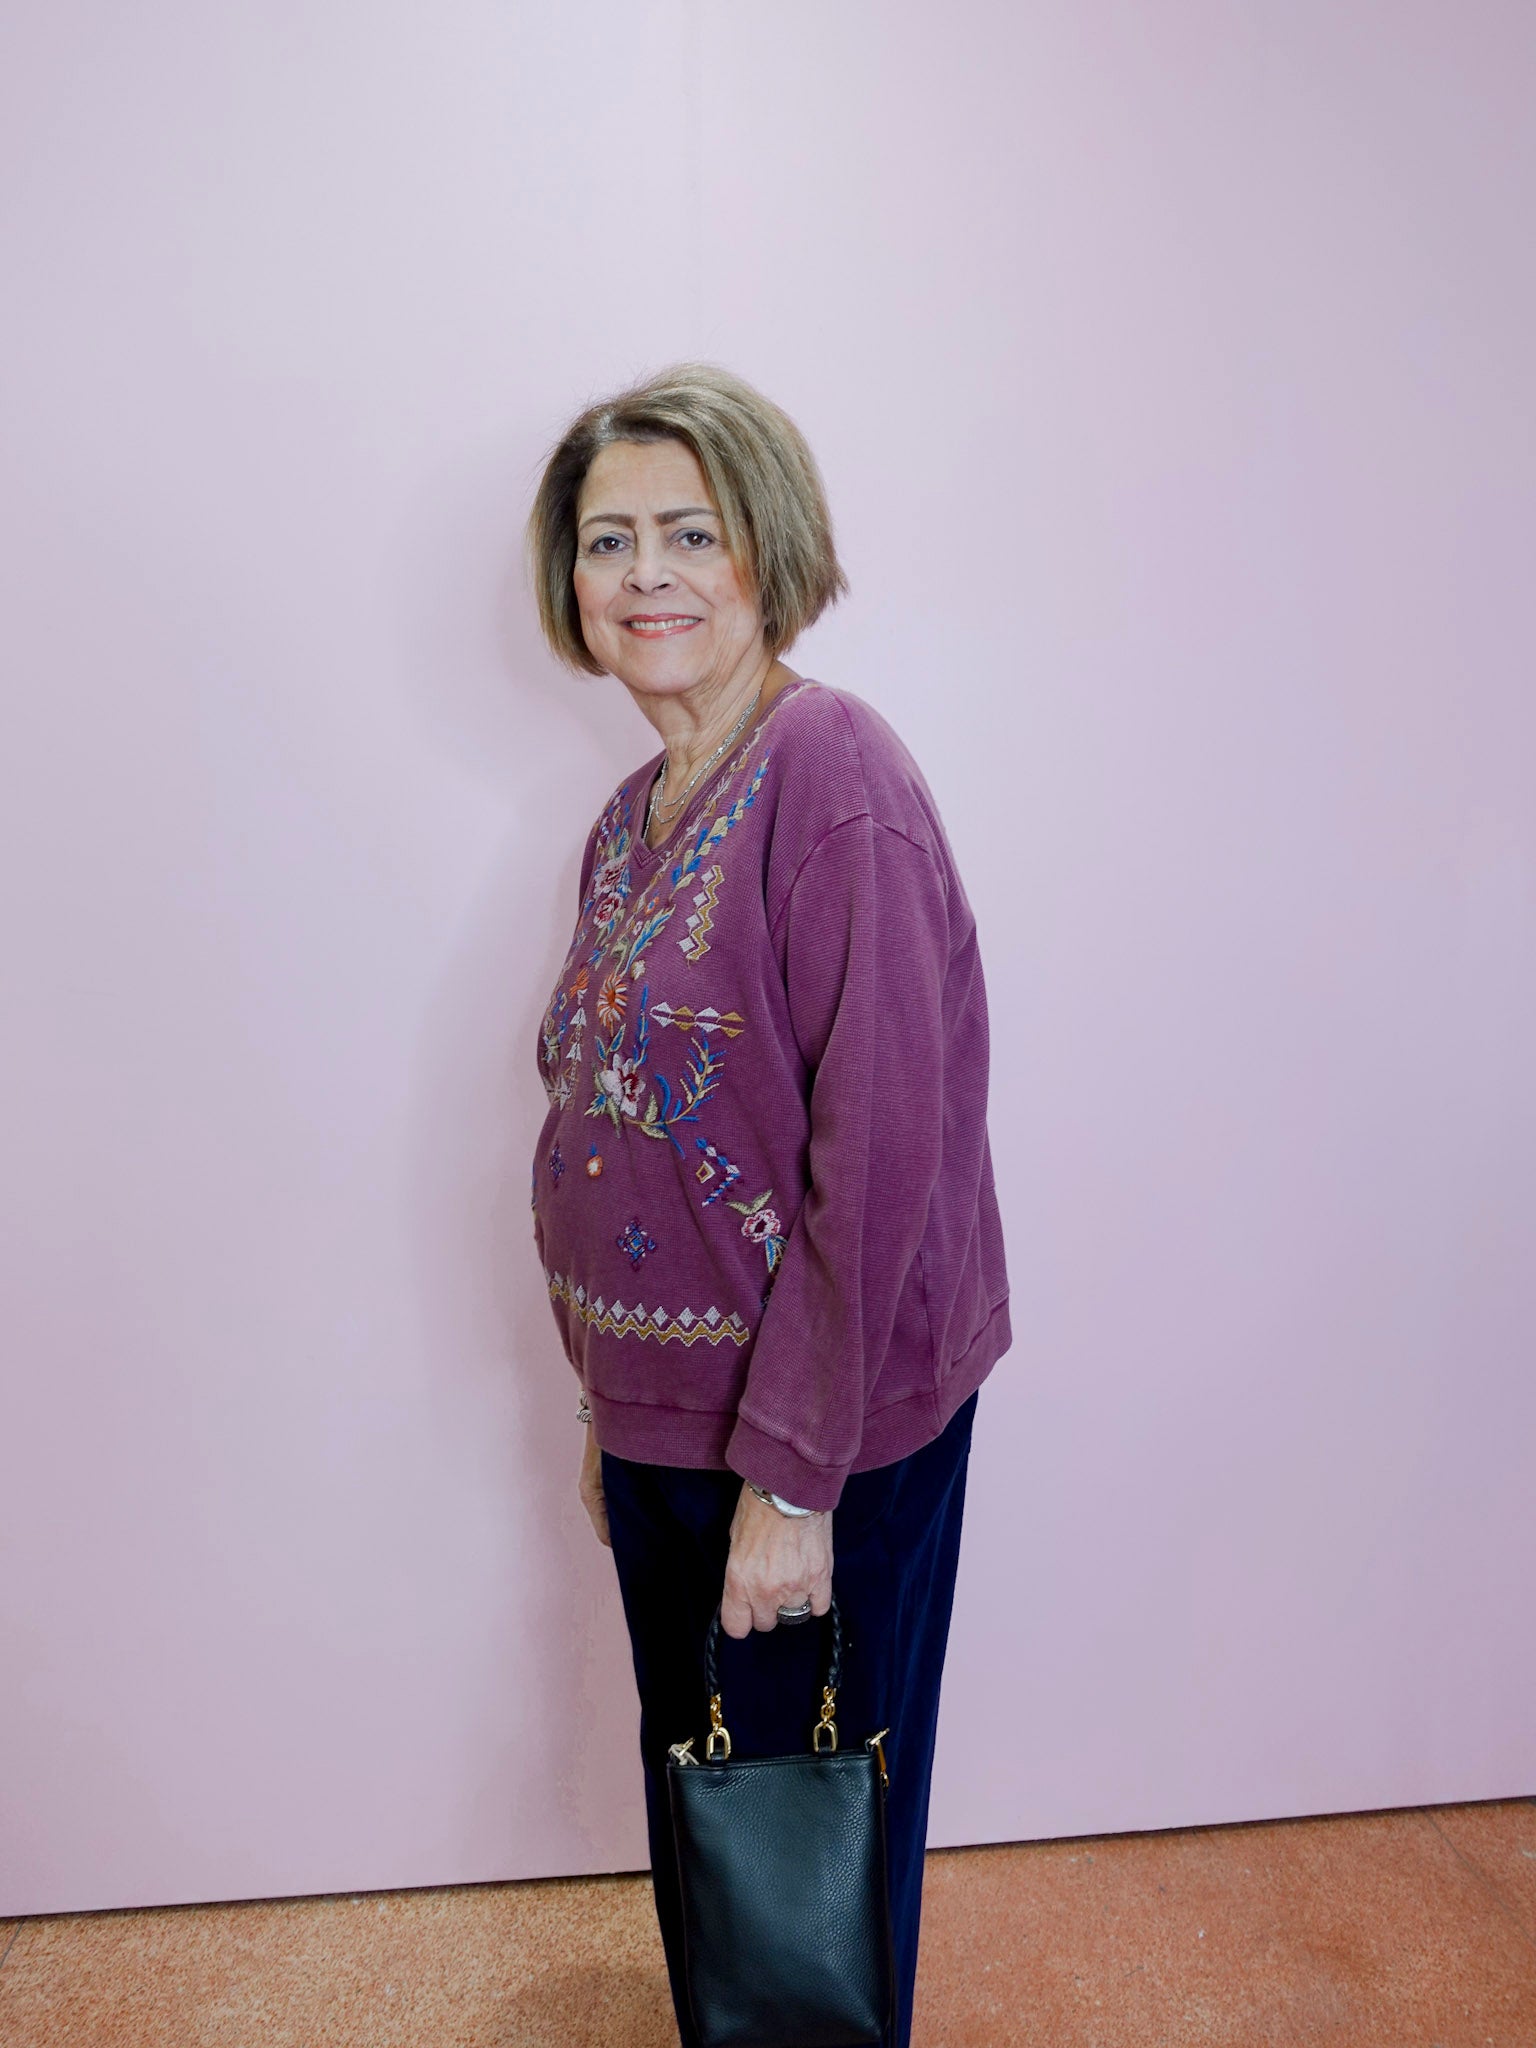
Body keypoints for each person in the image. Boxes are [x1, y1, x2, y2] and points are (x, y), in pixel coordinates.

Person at [524, 361, 1011, 2048]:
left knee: (807, 1860)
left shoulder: (835, 779)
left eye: (688, 532)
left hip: (813, 1447)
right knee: (717, 1828)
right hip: (672, 1433)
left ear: (766, 553)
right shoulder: (625, 820)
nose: (643, 574)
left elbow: (883, 1158)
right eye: (606, 540)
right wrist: (614, 1405)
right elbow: (611, 1123)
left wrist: (791, 1481)